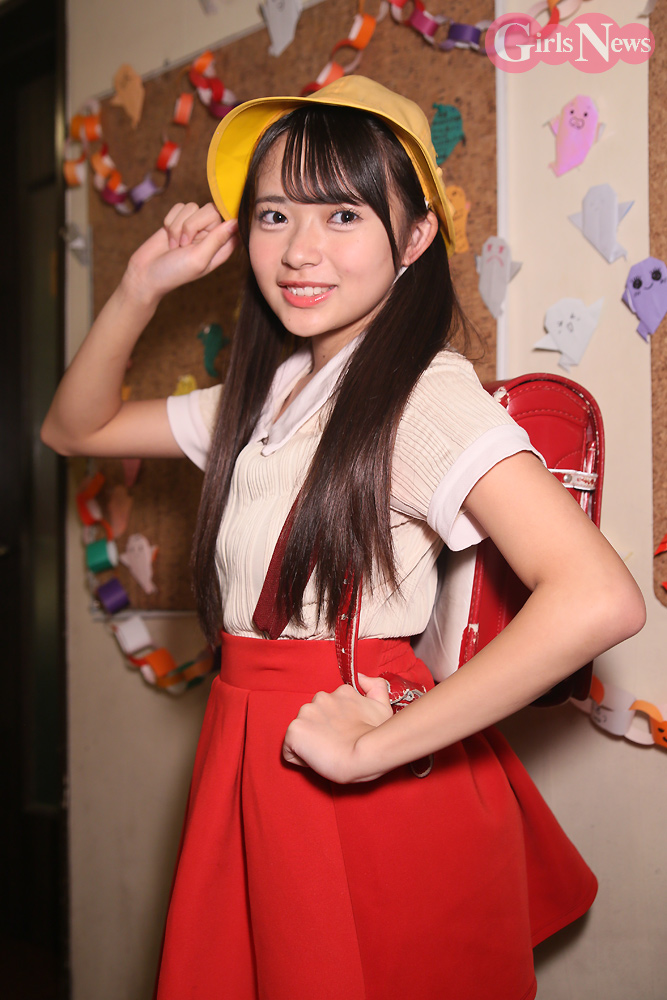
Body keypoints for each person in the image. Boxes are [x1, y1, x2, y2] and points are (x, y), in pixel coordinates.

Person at [42, 77, 645, 1000]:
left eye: (343, 214)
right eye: (274, 214)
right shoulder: (267, 393)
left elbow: (597, 597)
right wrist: (138, 287)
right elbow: (74, 428)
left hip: (345, 756)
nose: (299, 250)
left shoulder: (421, 395)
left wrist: (368, 751)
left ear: (415, 238)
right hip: (248, 745)